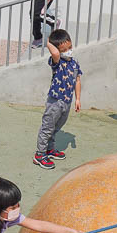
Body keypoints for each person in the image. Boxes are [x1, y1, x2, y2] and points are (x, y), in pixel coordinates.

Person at [33, 29, 82, 170]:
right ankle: (40, 154)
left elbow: (77, 81)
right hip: (55, 102)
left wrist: (78, 99)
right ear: (58, 50)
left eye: (70, 47)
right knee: (47, 128)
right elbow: (54, 53)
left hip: (67, 102)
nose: (68, 51)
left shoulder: (74, 62)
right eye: (64, 49)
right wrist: (48, 40)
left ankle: (50, 149)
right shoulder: (57, 61)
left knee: (56, 127)